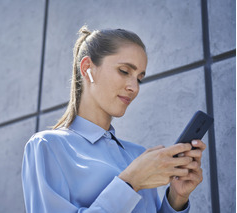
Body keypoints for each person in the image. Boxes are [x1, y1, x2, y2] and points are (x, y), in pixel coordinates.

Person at [22, 25, 206, 213]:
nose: (134, 88)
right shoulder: (48, 145)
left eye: (139, 78)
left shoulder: (138, 155)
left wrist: (176, 199)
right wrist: (131, 181)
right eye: (125, 71)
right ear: (87, 69)